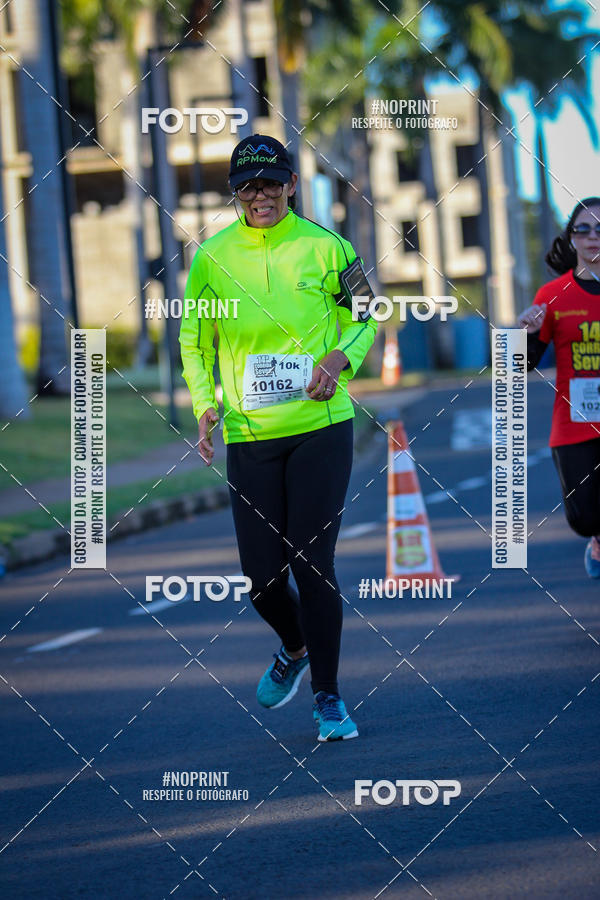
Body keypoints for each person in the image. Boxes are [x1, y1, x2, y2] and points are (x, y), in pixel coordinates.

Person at [179, 134, 377, 739]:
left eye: (270, 182)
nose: (259, 194)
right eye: (247, 185)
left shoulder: (329, 247)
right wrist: (204, 404)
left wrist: (342, 360)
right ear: (235, 194)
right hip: (251, 435)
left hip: (321, 428)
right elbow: (194, 339)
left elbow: (366, 317)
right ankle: (294, 645)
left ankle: (329, 699)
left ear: (291, 184)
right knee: (262, 577)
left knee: (312, 563)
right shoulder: (211, 258)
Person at [518, 197, 600, 577]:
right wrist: (526, 335)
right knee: (584, 519)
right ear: (571, 239)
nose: (592, 236)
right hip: (574, 425)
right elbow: (521, 366)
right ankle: (596, 540)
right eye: (583, 229)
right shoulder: (551, 296)